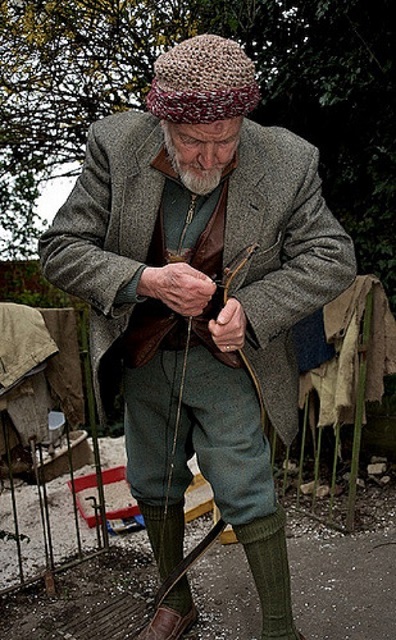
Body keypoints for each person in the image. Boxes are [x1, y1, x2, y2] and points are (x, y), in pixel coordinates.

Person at [39, 34, 356, 640]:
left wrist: (252, 307)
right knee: (152, 479)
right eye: (192, 142)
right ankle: (175, 599)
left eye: (226, 141)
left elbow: (332, 256)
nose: (210, 160)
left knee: (246, 483)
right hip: (144, 350)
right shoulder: (116, 145)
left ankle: (281, 628)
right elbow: (59, 250)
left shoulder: (289, 160)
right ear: (163, 119)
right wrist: (146, 279)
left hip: (231, 358)